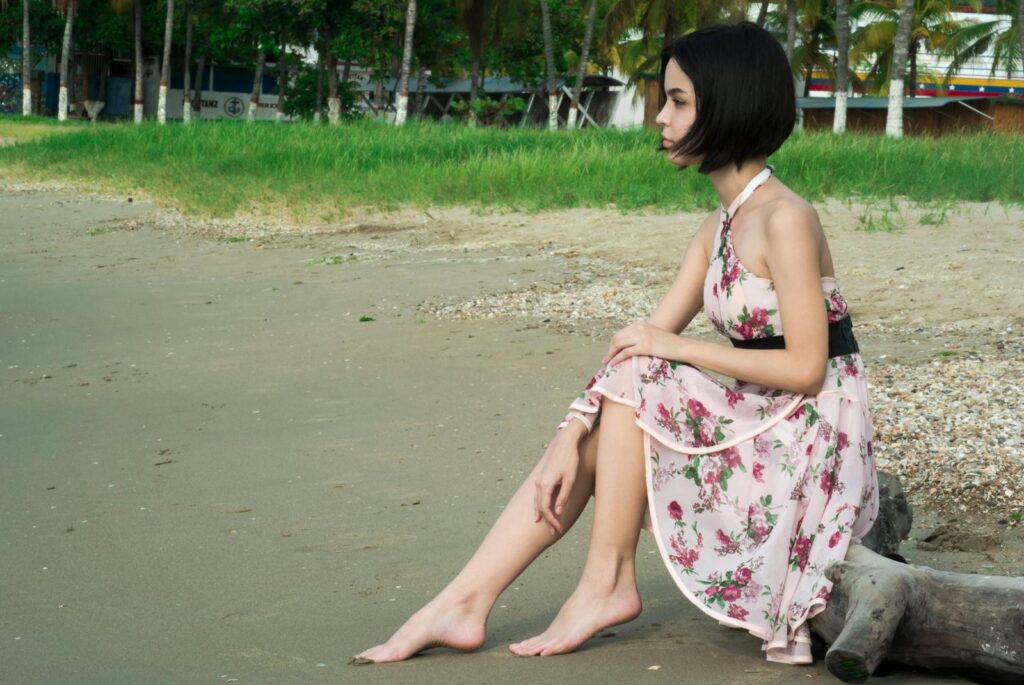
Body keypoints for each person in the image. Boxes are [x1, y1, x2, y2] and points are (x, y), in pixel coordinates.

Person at [353, 21, 878, 666]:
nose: (660, 115)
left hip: (811, 426)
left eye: (679, 100)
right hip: (759, 411)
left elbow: (804, 366)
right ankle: (466, 599)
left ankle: (603, 583)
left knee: (648, 371)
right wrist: (567, 433)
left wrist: (676, 349)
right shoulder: (719, 224)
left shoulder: (787, 218)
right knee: (622, 394)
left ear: (729, 102)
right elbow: (635, 346)